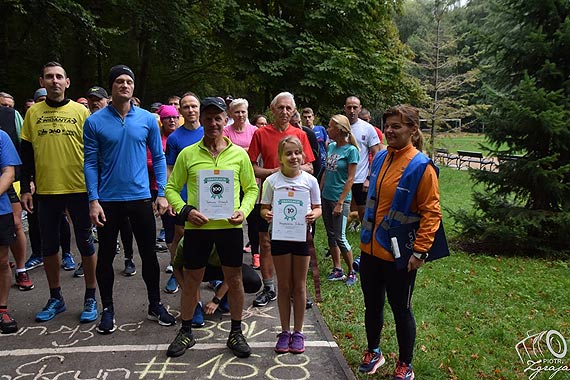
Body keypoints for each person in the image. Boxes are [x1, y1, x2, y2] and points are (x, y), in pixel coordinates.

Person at [84, 64, 175, 334]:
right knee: (106, 257)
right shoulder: (95, 121)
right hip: (108, 200)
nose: (125, 85)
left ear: (133, 87)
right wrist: (93, 199)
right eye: (120, 82)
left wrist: (161, 193)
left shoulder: (147, 119)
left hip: (140, 197)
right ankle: (108, 309)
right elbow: (89, 163)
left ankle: (155, 304)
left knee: (148, 254)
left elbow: (158, 157)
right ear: (111, 87)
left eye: (129, 82)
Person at [164, 96, 258, 358]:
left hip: (229, 228)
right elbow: (170, 188)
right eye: (208, 118)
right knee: (192, 280)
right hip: (198, 229)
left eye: (218, 118)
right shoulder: (188, 154)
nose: (213, 123)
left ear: (225, 120)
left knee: (235, 279)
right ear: (201, 121)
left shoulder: (239, 155)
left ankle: (236, 332)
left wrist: (244, 210)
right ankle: (185, 332)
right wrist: (186, 211)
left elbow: (251, 189)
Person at [358, 105, 443, 379]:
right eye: (388, 126)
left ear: (412, 130)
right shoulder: (381, 157)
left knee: (401, 309)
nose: (390, 130)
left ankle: (405, 363)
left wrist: (420, 252)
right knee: (372, 305)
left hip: (399, 256)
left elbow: (432, 212)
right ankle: (374, 351)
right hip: (370, 249)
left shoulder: (421, 166)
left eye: (397, 126)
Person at [20, 61, 98, 324]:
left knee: (86, 244)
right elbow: (27, 153)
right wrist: (27, 186)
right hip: (46, 190)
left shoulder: (81, 112)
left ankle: (90, 296)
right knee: (49, 247)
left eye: (59, 77)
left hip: (79, 187)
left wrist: (96, 189)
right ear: (41, 82)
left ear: (67, 82)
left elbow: (93, 152)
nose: (54, 81)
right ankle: (56, 297)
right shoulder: (33, 113)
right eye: (49, 77)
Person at [247, 92, 315, 307]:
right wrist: (275, 172)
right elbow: (252, 167)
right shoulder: (260, 133)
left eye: (288, 108)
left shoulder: (300, 134)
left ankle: (297, 289)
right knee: (265, 244)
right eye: (280, 108)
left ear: (293, 111)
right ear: (272, 109)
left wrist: (288, 169)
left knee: (296, 243)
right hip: (269, 196)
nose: (284, 112)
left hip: (296, 200)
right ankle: (269, 288)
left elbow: (310, 166)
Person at [260, 136, 321, 354]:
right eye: (289, 153)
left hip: (302, 237)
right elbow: (263, 208)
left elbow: (317, 207)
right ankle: (285, 331)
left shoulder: (310, 181)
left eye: (297, 152)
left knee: (300, 285)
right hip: (280, 237)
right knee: (284, 286)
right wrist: (267, 214)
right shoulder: (272, 181)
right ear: (280, 157)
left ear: (303, 155)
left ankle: (298, 332)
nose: (294, 157)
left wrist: (313, 215)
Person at [164, 92, 204, 295]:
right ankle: (175, 271)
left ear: (199, 109)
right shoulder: (174, 138)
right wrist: (170, 196)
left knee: (207, 236)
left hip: (206, 195)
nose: (190, 110)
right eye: (186, 107)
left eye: (194, 106)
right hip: (183, 196)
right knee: (179, 235)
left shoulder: (210, 131)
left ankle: (210, 274)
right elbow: (169, 168)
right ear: (180, 110)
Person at [321, 115, 360, 286]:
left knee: (340, 236)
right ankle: (337, 269)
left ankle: (352, 271)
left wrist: (340, 202)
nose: (327, 129)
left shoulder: (351, 151)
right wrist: (319, 193)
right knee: (330, 235)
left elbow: (350, 179)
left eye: (330, 127)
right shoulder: (330, 147)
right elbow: (326, 172)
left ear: (339, 130)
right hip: (326, 196)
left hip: (340, 199)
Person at [0, 105, 34, 291]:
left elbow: (24, 145)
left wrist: (27, 182)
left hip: (10, 180)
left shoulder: (10, 115)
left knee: (16, 224)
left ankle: (21, 269)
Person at [344, 96, 381, 220]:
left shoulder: (368, 128)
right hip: (341, 178)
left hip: (360, 178)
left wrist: (369, 178)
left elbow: (376, 153)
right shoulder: (339, 126)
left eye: (355, 107)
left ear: (360, 109)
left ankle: (365, 236)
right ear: (345, 108)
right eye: (349, 107)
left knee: (363, 211)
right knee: (341, 210)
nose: (352, 110)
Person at [0, 129, 22, 333]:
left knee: (1, 261)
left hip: (0, 209)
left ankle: (2, 308)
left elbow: (9, 172)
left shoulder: (1, 137)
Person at [301, 107, 328, 181]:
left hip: (323, 163)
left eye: (309, 117)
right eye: (305, 117)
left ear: (313, 117)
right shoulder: (301, 132)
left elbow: (326, 146)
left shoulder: (321, 129)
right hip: (310, 163)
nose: (307, 119)